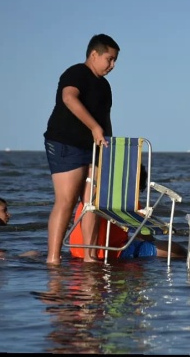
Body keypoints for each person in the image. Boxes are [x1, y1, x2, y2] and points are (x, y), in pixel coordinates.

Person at [43, 34, 120, 265]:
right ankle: (53, 259)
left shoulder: (105, 85)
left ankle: (89, 255)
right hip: (66, 143)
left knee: (92, 204)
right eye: (109, 59)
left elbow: (105, 119)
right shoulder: (76, 72)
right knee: (66, 201)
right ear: (94, 54)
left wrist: (108, 144)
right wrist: (94, 127)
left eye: (115, 61)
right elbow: (69, 98)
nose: (112, 65)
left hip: (94, 149)